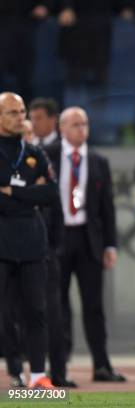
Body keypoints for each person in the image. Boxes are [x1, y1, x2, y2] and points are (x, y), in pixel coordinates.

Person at [45, 107, 126, 383]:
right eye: (76, 124)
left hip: (88, 240)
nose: (82, 129)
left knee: (94, 306)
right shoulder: (48, 156)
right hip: (58, 239)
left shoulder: (97, 160)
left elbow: (108, 209)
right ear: (62, 128)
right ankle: (59, 366)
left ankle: (101, 366)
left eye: (85, 124)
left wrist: (111, 245)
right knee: (57, 306)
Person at [0, 92, 58, 389]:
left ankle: (37, 375)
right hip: (2, 240)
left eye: (21, 111)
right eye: (11, 112)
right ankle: (13, 367)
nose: (19, 117)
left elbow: (51, 193)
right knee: (4, 312)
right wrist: (30, 194)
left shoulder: (35, 151)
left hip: (32, 241)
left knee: (37, 310)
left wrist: (13, 192)